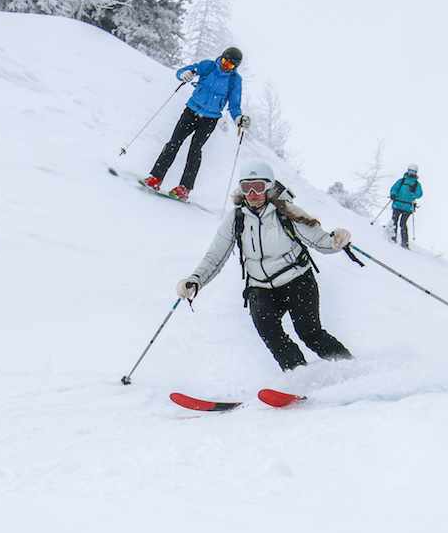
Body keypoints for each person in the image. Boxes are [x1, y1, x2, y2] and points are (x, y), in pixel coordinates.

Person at [176, 160, 354, 371]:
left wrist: (336, 240)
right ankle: (300, 376)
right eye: (246, 187)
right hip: (260, 288)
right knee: (271, 335)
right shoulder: (236, 218)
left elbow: (320, 241)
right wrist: (196, 280)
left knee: (310, 333)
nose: (252, 193)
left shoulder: (287, 211)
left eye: (258, 187)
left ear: (269, 186)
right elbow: (216, 255)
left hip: (297, 281)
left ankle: (351, 368)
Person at [142, 46, 250, 202]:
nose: (225, 67)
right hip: (191, 111)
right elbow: (184, 71)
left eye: (230, 66)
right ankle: (155, 178)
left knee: (195, 150)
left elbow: (234, 105)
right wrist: (184, 75)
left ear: (235, 67)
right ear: (221, 57)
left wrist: (238, 118)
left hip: (209, 119)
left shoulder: (234, 80)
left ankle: (184, 188)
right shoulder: (208, 66)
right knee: (173, 143)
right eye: (225, 62)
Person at [388, 164, 423, 249]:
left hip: (407, 207)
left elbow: (419, 194)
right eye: (410, 171)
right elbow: (394, 188)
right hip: (398, 204)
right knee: (394, 221)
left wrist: (413, 193)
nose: (411, 173)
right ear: (407, 170)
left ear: (415, 173)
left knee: (402, 223)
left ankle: (405, 243)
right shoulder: (402, 181)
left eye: (413, 171)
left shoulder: (416, 184)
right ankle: (392, 238)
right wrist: (393, 194)